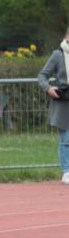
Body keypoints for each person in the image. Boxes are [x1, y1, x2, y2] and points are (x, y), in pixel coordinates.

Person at [37, 28, 69, 185]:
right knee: (66, 139)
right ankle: (66, 171)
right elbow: (42, 75)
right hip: (63, 102)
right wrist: (48, 88)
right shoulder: (57, 55)